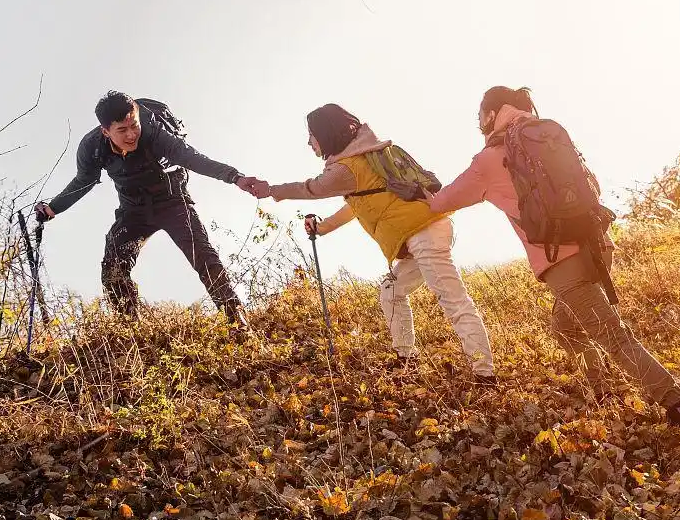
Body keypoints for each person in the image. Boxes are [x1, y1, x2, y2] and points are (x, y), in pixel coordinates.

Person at [423, 86, 680, 428]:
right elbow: (591, 186)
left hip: (560, 261)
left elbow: (441, 202)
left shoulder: (490, 159)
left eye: (479, 114)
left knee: (612, 334)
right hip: (597, 244)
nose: (478, 122)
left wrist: (422, 190)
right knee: (565, 326)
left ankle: (676, 402)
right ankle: (601, 389)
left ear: (492, 113)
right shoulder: (547, 137)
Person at [256, 104, 497, 384]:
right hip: (425, 230)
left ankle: (485, 375)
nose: (309, 142)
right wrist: (321, 228)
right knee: (390, 291)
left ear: (325, 133)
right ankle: (406, 357)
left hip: (423, 232)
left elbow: (312, 189)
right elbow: (355, 208)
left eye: (311, 135)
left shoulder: (347, 168)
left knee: (453, 300)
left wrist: (272, 190)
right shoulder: (366, 156)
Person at [36, 91, 265, 329]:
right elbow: (84, 180)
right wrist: (53, 208)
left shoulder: (156, 133)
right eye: (122, 131)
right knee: (113, 267)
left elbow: (193, 158)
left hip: (172, 201)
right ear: (106, 131)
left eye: (134, 125)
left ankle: (236, 320)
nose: (131, 134)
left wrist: (235, 177)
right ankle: (130, 330)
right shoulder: (92, 148)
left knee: (204, 256)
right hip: (133, 211)